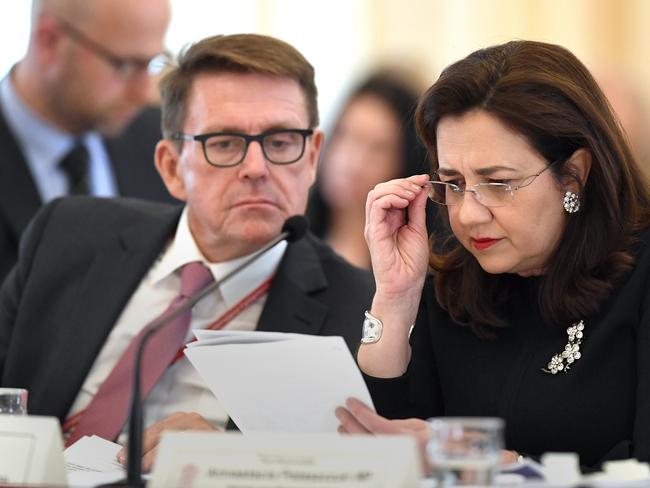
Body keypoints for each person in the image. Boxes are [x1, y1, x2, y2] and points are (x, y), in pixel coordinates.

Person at [0, 33, 374, 470]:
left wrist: (232, 466)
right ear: (171, 167)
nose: (257, 169)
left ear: (312, 157)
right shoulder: (68, 236)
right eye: (224, 143)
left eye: (281, 141)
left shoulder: (360, 311)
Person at [335, 40, 650, 469]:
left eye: (497, 184)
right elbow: (377, 454)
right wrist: (394, 297)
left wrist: (495, 465)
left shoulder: (641, 273)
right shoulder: (452, 273)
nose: (468, 214)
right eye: (454, 183)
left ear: (574, 175)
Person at [0, 0, 174, 282]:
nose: (146, 94)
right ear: (50, 41)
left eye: (154, 63)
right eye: (126, 66)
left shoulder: (162, 146)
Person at [307, 71, 429, 269]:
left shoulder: (411, 265)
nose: (354, 163)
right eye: (346, 135)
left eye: (378, 148)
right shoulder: (288, 236)